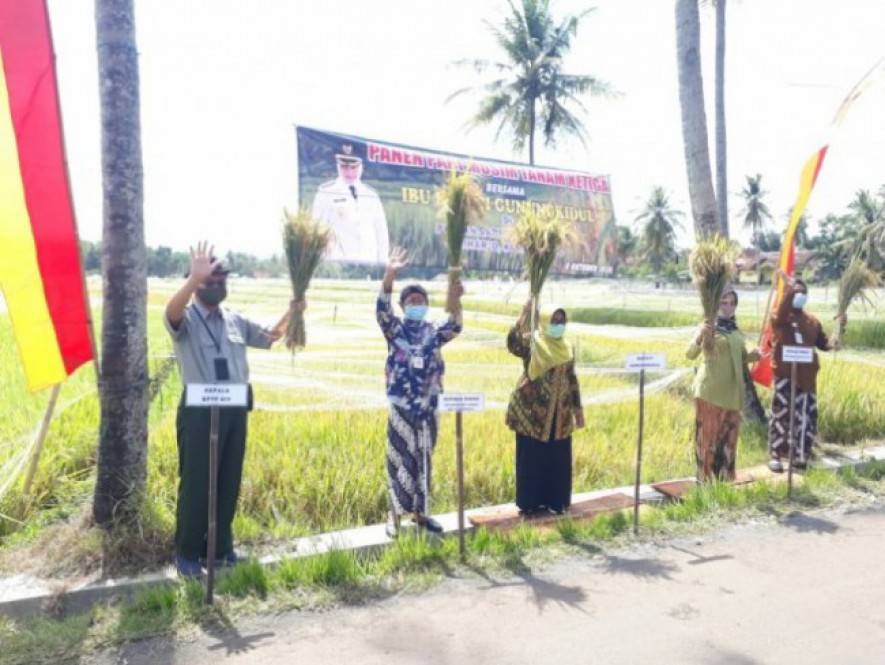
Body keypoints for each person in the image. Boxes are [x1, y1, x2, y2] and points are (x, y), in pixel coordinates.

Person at [164, 241, 300, 578]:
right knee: (197, 481)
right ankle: (188, 553)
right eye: (208, 281)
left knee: (228, 479)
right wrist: (193, 280)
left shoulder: (234, 319)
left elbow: (270, 337)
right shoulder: (187, 316)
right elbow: (171, 314)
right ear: (195, 283)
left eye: (220, 280)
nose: (215, 286)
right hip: (200, 410)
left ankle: (221, 548)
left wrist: (293, 312)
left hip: (235, 409)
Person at [376, 246, 463, 537]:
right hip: (401, 405)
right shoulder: (395, 329)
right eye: (411, 300)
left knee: (424, 458)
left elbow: (455, 326)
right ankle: (394, 516)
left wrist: (456, 300)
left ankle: (421, 514)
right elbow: (381, 311)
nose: (416, 303)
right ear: (402, 306)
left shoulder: (433, 331)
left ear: (426, 304)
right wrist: (390, 275)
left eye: (421, 300)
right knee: (399, 457)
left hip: (429, 407)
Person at [506, 300, 585, 515]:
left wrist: (578, 411)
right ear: (543, 321)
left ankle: (556, 501)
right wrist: (524, 314)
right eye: (553, 320)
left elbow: (572, 380)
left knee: (557, 458)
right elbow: (513, 343)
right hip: (532, 414)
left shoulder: (567, 348)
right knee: (532, 457)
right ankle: (530, 503)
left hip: (560, 415)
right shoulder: (533, 343)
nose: (558, 324)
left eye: (561, 320)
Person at [766, 270, 845, 472]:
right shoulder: (780, 317)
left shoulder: (812, 321)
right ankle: (776, 455)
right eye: (795, 292)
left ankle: (800, 455)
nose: (799, 295)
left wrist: (839, 328)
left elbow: (825, 344)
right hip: (784, 374)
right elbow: (780, 313)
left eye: (803, 292)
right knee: (781, 414)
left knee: (805, 415)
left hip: (807, 377)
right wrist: (789, 289)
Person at [686, 289, 759, 482]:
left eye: (732, 303)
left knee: (728, 439)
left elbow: (741, 358)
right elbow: (690, 353)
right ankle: (705, 482)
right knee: (707, 439)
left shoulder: (734, 330)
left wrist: (754, 355)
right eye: (723, 303)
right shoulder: (708, 327)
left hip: (732, 393)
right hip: (711, 392)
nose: (727, 308)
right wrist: (700, 336)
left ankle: (724, 482)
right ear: (715, 305)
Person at [311, 141, 389, 264]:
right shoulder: (326, 193)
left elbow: (381, 235)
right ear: (338, 165)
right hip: (338, 265)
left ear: (361, 166)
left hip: (369, 263)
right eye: (344, 167)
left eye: (354, 167)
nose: (349, 172)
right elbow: (317, 234)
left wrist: (383, 264)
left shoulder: (371, 195)